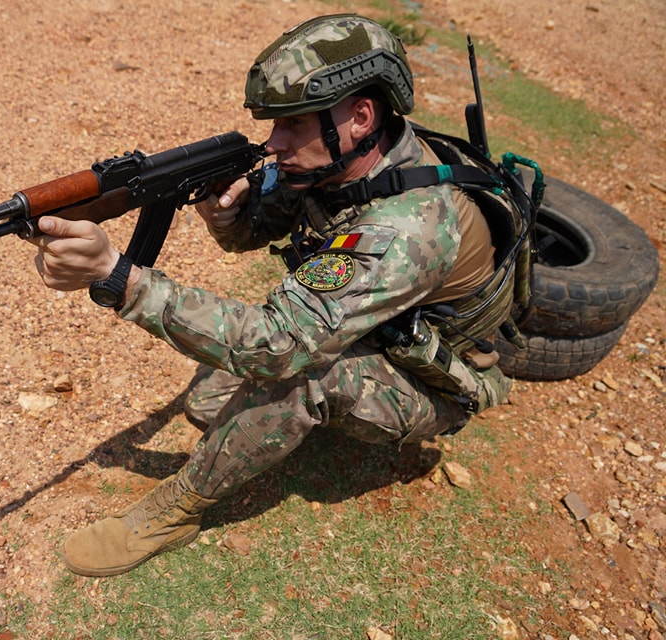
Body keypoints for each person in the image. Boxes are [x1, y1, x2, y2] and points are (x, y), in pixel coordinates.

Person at [28, 14, 515, 577]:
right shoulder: (344, 158)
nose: (273, 143)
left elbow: (281, 345)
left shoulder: (407, 228)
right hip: (385, 331)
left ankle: (177, 510)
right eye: (274, 123)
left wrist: (121, 279)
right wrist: (226, 215)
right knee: (207, 403)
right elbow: (257, 229)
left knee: (301, 374)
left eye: (293, 123)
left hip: (436, 381)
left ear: (361, 117)